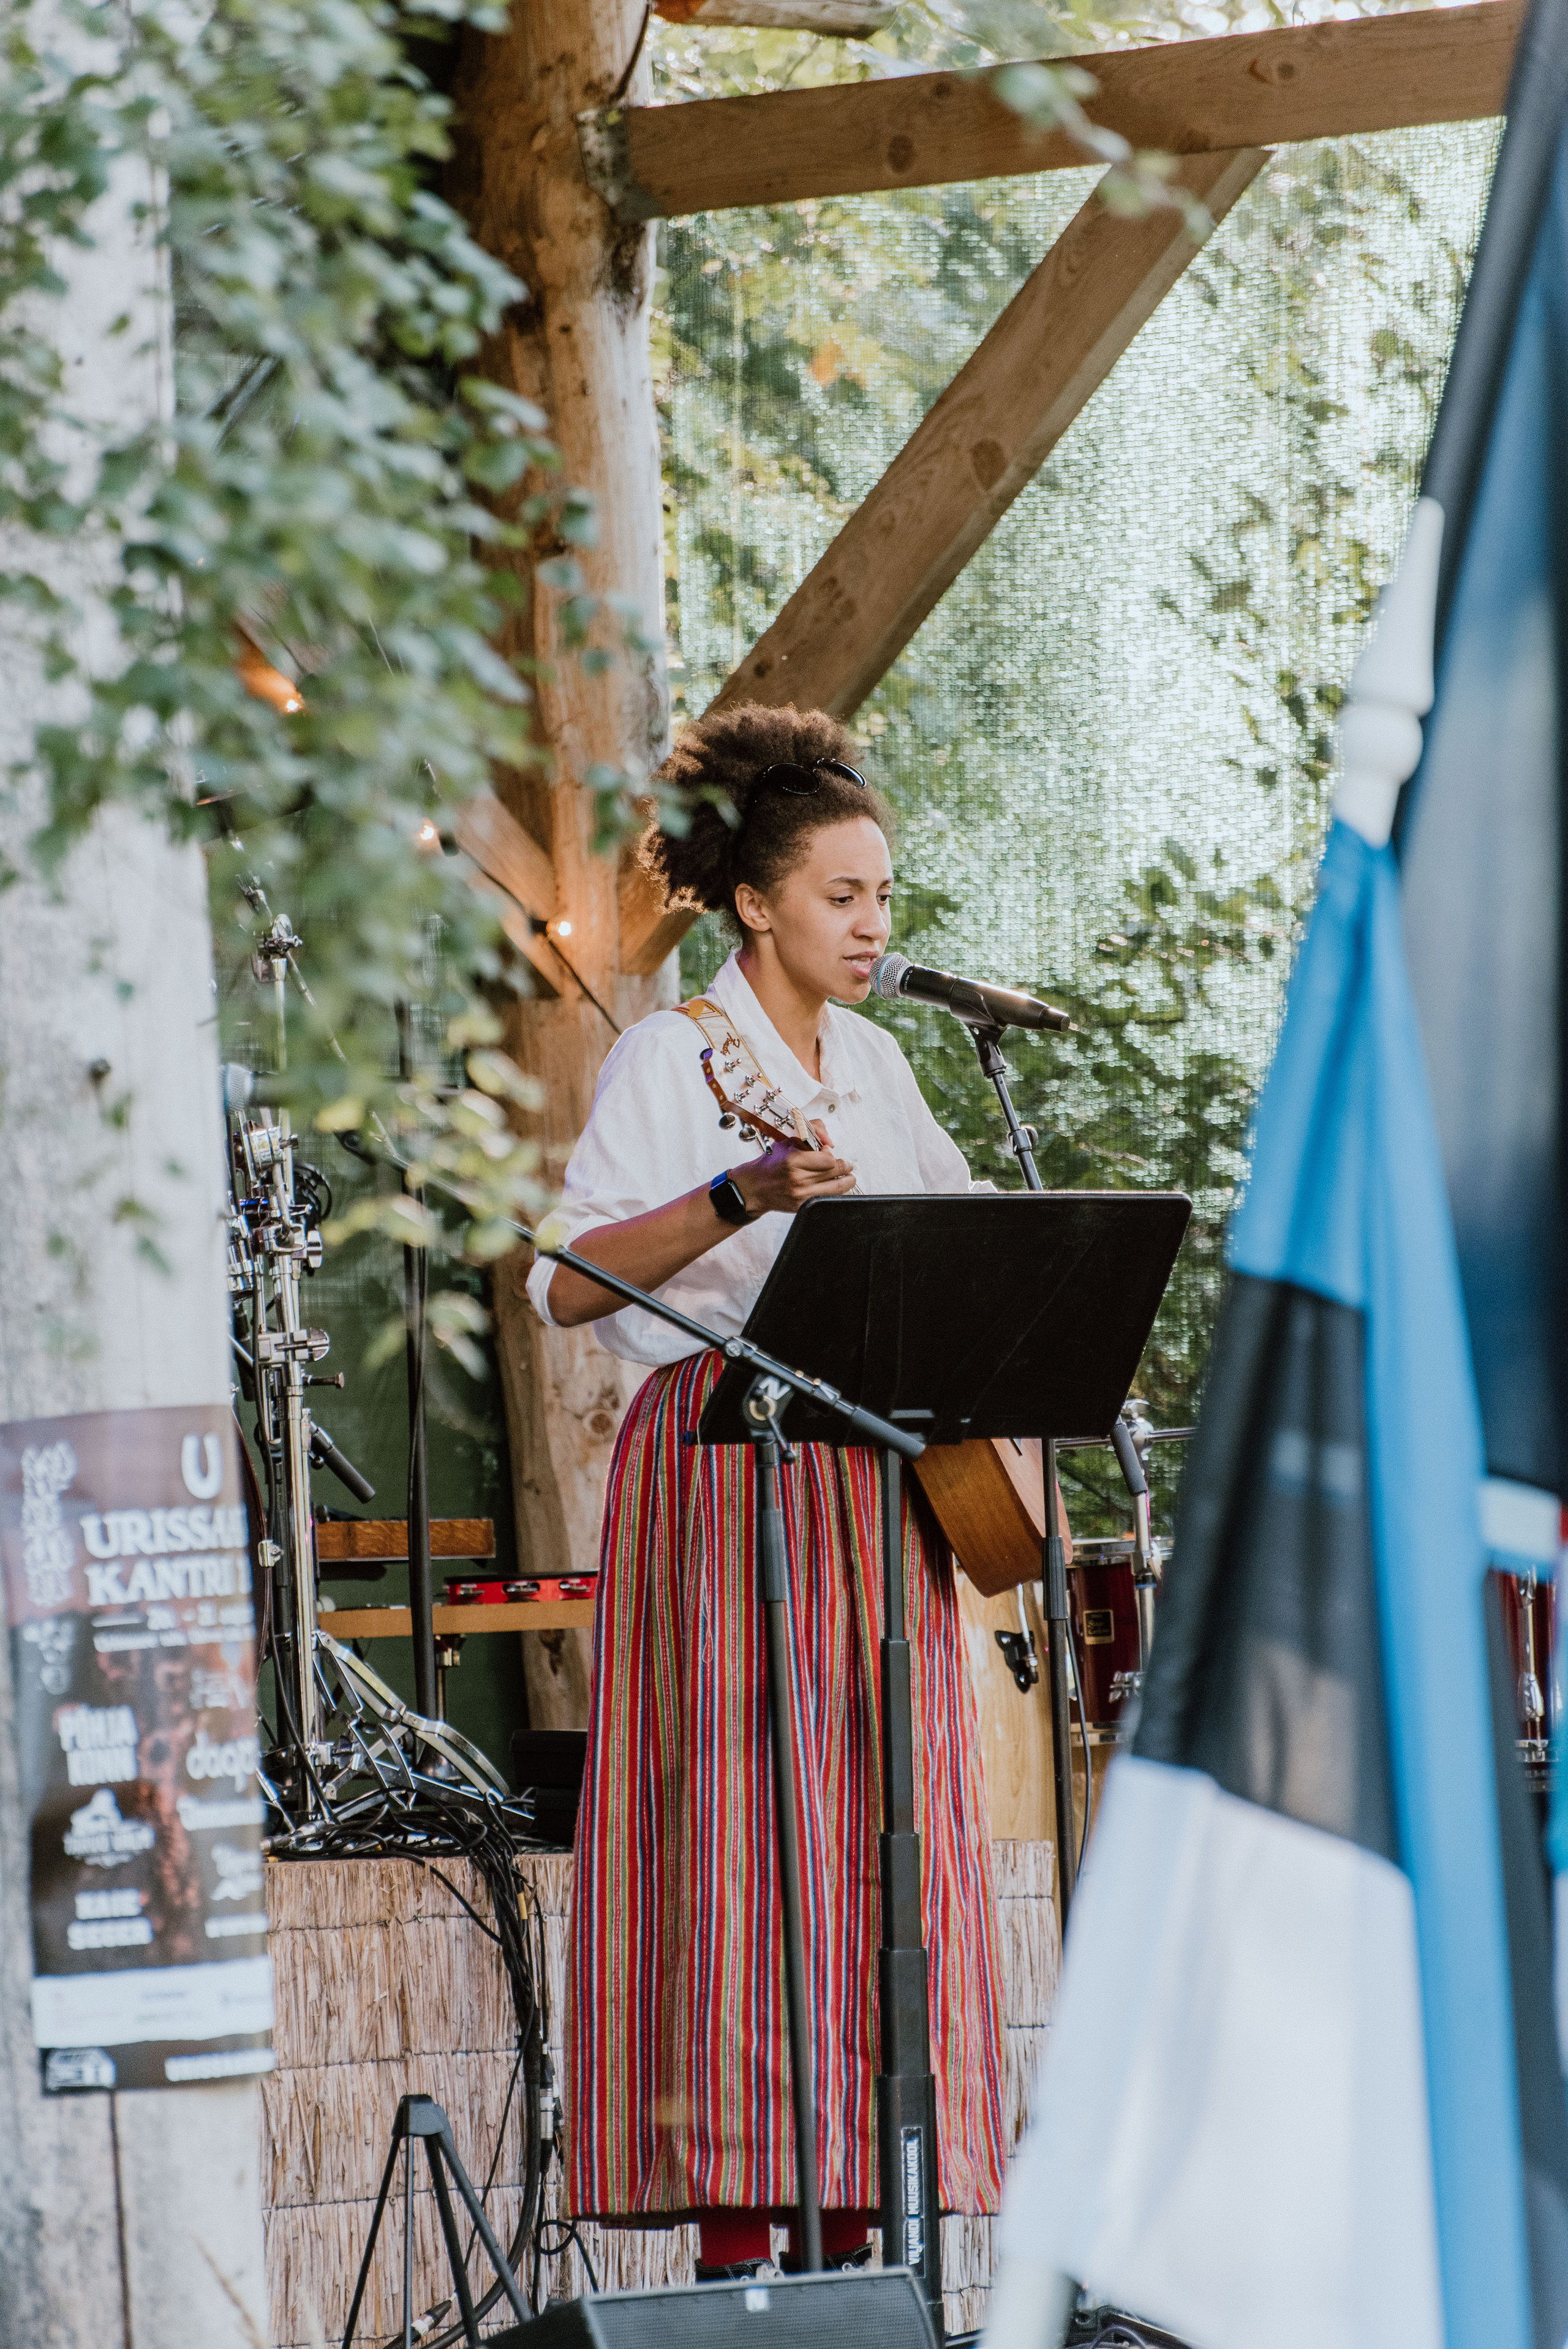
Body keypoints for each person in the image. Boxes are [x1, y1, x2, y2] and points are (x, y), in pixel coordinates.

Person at [527, 701, 1008, 2278]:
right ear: (753, 900)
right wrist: (736, 1189)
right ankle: (746, 2244)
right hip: (731, 1478)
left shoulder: (872, 1060)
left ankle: (880, 2239)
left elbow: (953, 1251)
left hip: (877, 1483)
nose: (875, 926)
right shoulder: (677, 1055)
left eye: (884, 896)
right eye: (842, 897)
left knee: (883, 1840)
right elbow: (572, 1280)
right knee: (744, 1839)